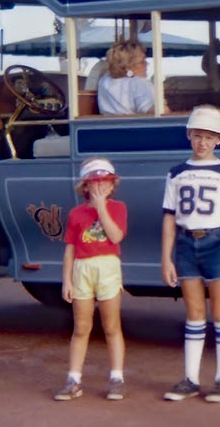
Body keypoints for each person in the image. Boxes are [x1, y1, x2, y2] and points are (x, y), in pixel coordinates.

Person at [161, 105, 220, 404]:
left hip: (217, 242)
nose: (202, 142)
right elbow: (169, 218)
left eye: (209, 137)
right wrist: (166, 257)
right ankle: (191, 378)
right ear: (189, 135)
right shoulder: (177, 173)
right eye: (198, 136)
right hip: (186, 245)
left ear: (219, 140)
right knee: (194, 313)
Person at [54, 158, 129, 401]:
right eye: (94, 183)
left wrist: (100, 208)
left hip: (107, 267)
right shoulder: (76, 214)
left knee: (111, 326)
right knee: (81, 327)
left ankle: (116, 378)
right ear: (85, 187)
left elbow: (116, 236)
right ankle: (73, 380)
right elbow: (70, 249)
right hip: (82, 269)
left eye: (105, 183)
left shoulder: (118, 208)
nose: (99, 187)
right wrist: (66, 280)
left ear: (112, 186)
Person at [96, 39, 155, 115]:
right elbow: (152, 111)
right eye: (142, 62)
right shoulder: (139, 83)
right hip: (134, 125)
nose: (147, 64)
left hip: (106, 125)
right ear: (128, 67)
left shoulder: (104, 81)